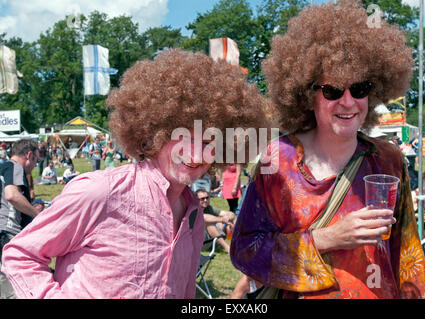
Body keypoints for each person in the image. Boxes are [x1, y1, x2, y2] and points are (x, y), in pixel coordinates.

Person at [1, 49, 266, 299]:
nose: (196, 154)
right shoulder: (101, 192)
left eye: (209, 143)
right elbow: (21, 255)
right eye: (183, 135)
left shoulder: (194, 216)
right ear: (154, 131)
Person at [230, 0, 425, 299]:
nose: (348, 102)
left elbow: (408, 259)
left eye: (359, 88)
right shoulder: (278, 161)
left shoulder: (388, 160)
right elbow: (245, 250)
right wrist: (324, 239)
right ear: (308, 95)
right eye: (333, 90)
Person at [0, 139, 40, 299]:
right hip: (7, 234)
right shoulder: (15, 166)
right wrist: (38, 216)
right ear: (28, 155)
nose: (35, 165)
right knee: (13, 291)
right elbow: (11, 195)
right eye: (36, 160)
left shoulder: (3, 167)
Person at [196, 189, 235, 254]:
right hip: (199, 244)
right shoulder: (194, 209)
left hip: (209, 241)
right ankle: (227, 248)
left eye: (207, 198)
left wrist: (228, 219)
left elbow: (229, 214)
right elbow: (204, 217)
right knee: (210, 224)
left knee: (226, 221)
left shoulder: (208, 208)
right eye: (202, 199)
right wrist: (222, 220)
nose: (205, 200)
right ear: (196, 200)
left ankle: (239, 241)